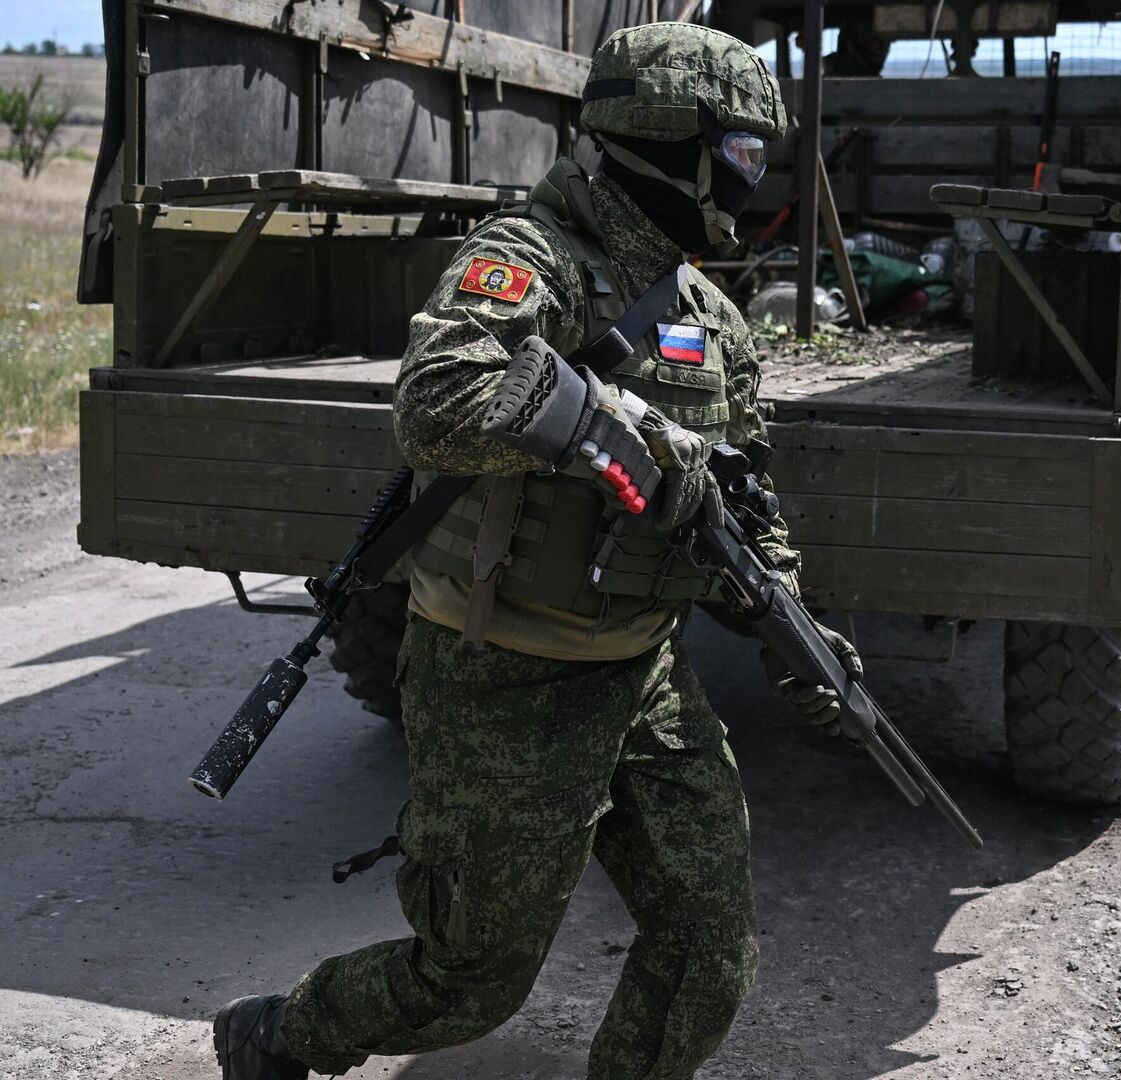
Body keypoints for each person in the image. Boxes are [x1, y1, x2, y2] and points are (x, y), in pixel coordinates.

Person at [210, 24, 860, 1080]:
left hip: (643, 676)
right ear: (664, 138)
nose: (753, 176)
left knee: (708, 949)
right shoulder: (529, 259)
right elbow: (436, 405)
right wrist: (640, 436)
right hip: (501, 675)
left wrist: (789, 620)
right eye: (740, 151)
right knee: (470, 984)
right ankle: (283, 1030)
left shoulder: (712, 316)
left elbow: (745, 497)